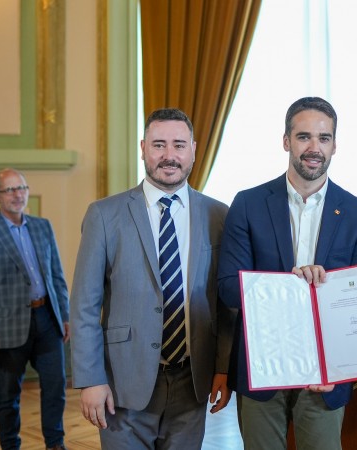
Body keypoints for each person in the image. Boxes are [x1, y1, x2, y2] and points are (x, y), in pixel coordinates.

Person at [217, 96, 357, 450]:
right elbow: (229, 288)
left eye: (324, 138)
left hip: (325, 373)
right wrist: (292, 285)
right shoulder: (247, 204)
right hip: (262, 367)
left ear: (335, 145)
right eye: (304, 136)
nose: (314, 147)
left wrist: (345, 368)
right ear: (286, 141)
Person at [70, 108, 235, 449]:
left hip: (193, 381)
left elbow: (224, 306)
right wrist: (90, 380)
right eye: (159, 145)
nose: (169, 156)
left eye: (178, 145)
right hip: (121, 384)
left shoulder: (219, 215)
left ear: (193, 149)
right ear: (143, 148)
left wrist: (222, 369)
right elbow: (85, 305)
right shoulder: (104, 214)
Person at [0, 168, 70, 450]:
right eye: (10, 190)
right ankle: (10, 445)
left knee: (56, 387)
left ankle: (55, 443)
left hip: (47, 318)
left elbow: (57, 274)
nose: (18, 194)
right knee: (8, 394)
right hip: (7, 327)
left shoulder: (43, 226)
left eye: (22, 187)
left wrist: (65, 315)